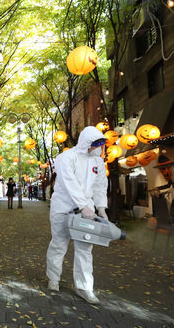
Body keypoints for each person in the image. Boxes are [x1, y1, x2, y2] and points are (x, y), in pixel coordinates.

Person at [46, 126, 108, 304]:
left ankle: (84, 287)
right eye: (95, 144)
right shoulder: (66, 157)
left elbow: (100, 186)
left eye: (101, 145)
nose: (98, 148)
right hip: (63, 207)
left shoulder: (98, 162)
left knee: (85, 248)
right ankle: (53, 279)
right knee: (59, 243)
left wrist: (101, 208)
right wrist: (83, 205)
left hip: (86, 211)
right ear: (86, 142)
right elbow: (68, 182)